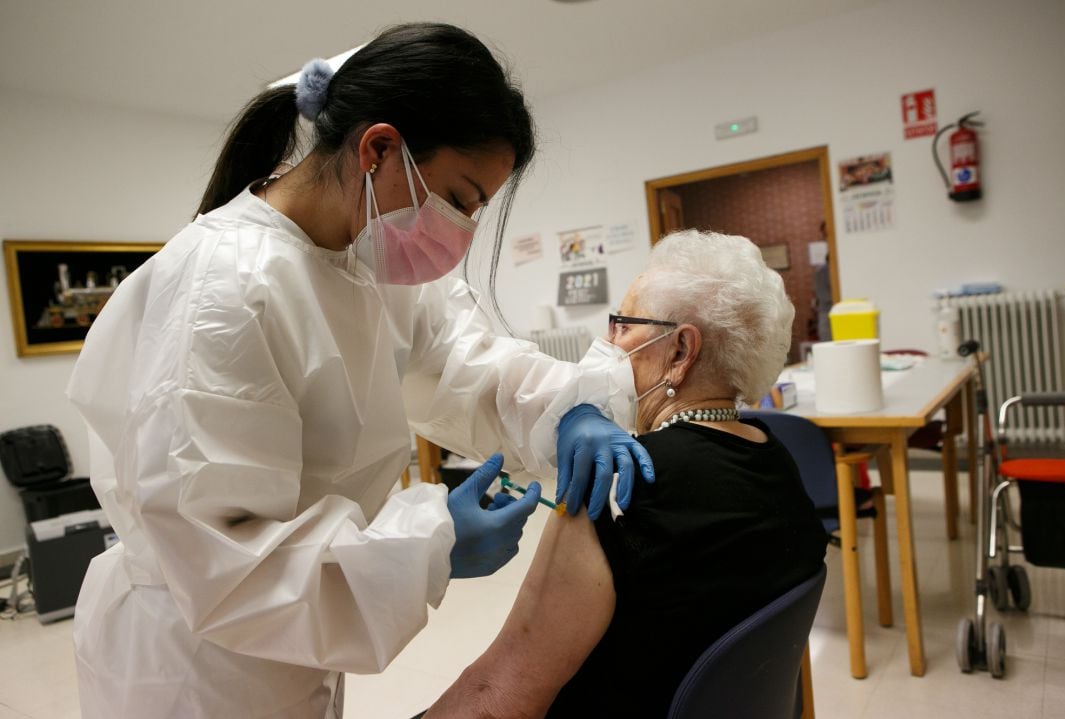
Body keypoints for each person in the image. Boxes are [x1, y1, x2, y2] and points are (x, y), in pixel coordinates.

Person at [66, 23, 653, 719]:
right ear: (378, 148)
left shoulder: (369, 261)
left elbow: (462, 363)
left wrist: (568, 408)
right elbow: (224, 566)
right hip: (189, 670)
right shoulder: (223, 290)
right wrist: (430, 546)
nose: (462, 229)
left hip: (289, 651)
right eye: (460, 199)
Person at [426, 230, 829, 718]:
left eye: (621, 324)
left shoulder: (618, 484)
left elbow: (500, 694)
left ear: (680, 351)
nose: (606, 342)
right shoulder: (778, 457)